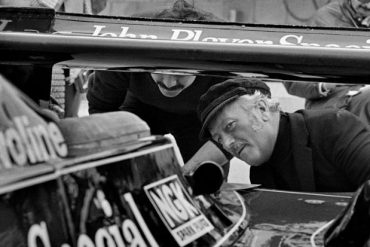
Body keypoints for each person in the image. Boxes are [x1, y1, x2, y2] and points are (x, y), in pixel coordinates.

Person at [87, 0, 225, 162]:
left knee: (206, 179)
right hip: (140, 107)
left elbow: (240, 128)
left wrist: (190, 168)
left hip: (199, 118)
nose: (169, 83)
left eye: (180, 73)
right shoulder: (123, 51)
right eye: (159, 71)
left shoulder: (224, 56)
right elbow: (101, 110)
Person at [197, 78, 370, 192]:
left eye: (230, 126)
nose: (227, 143)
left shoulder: (333, 128)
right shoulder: (260, 172)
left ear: (262, 109)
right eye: (219, 139)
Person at [283, 0, 370, 125]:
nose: (368, 5)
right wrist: (325, 84)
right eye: (363, 0)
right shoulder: (326, 18)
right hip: (334, 100)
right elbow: (293, 79)